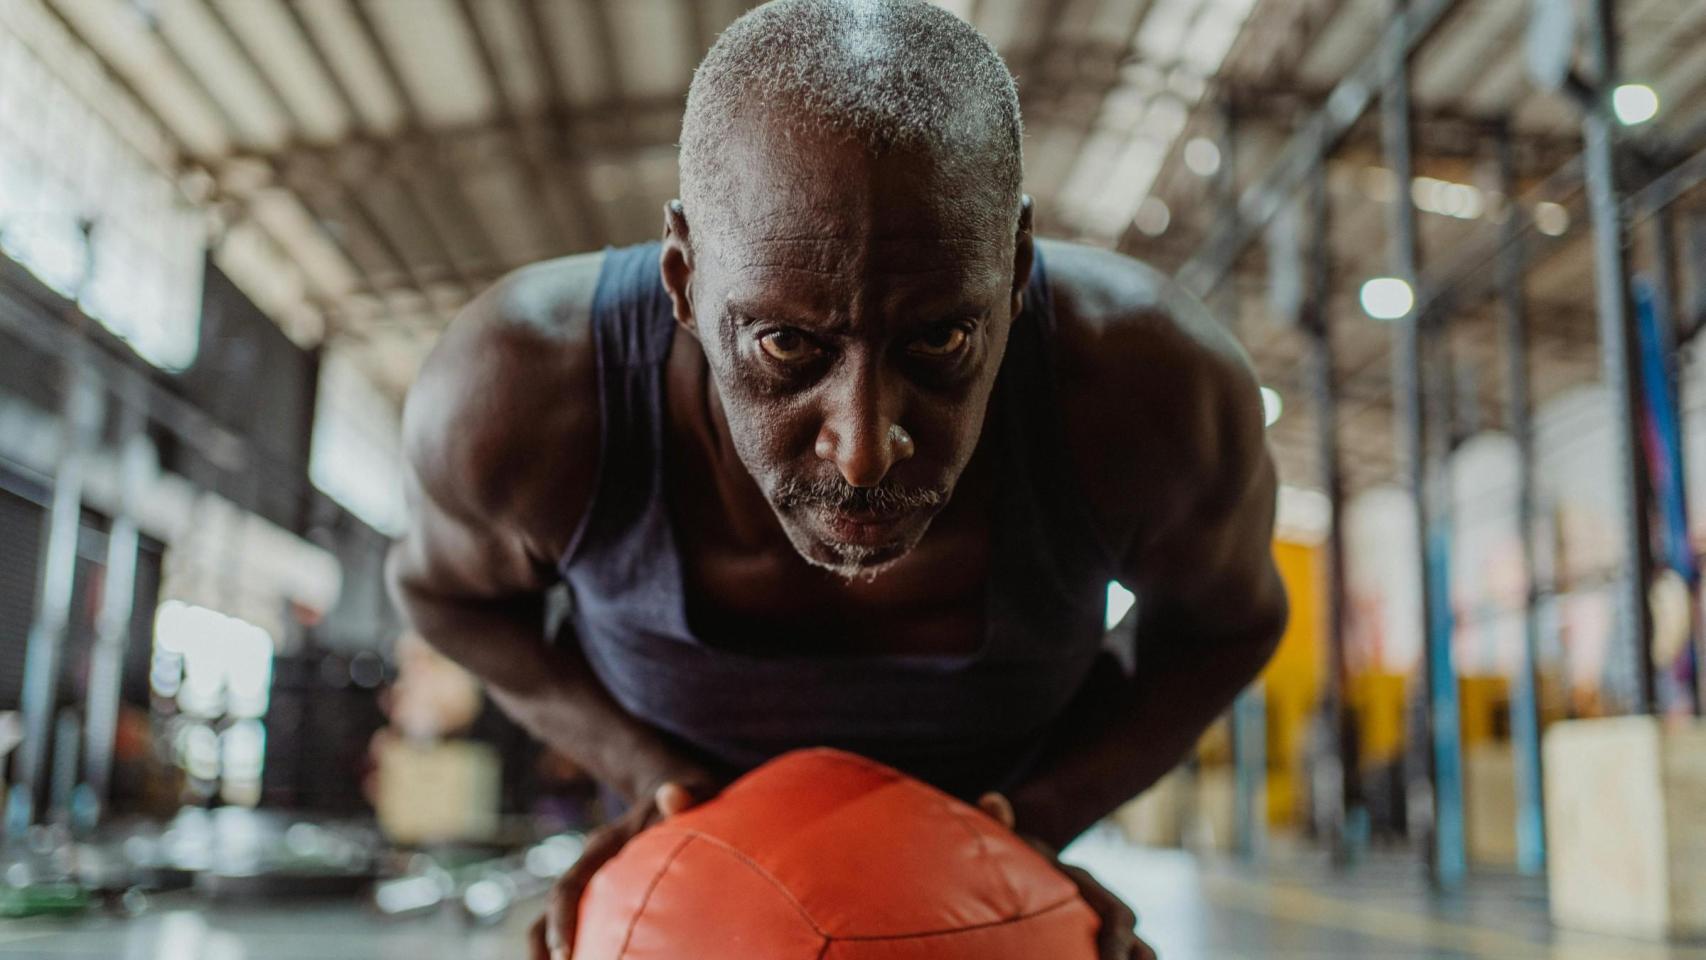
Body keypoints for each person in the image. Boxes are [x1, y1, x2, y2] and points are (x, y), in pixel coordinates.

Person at [387, 2, 1287, 957]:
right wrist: (661, 790)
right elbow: (448, 600)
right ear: (684, 279)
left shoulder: (1154, 395)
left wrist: (1027, 828)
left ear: (1015, 269)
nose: (865, 447)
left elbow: (1228, 625)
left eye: (940, 338)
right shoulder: (521, 398)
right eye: (787, 344)